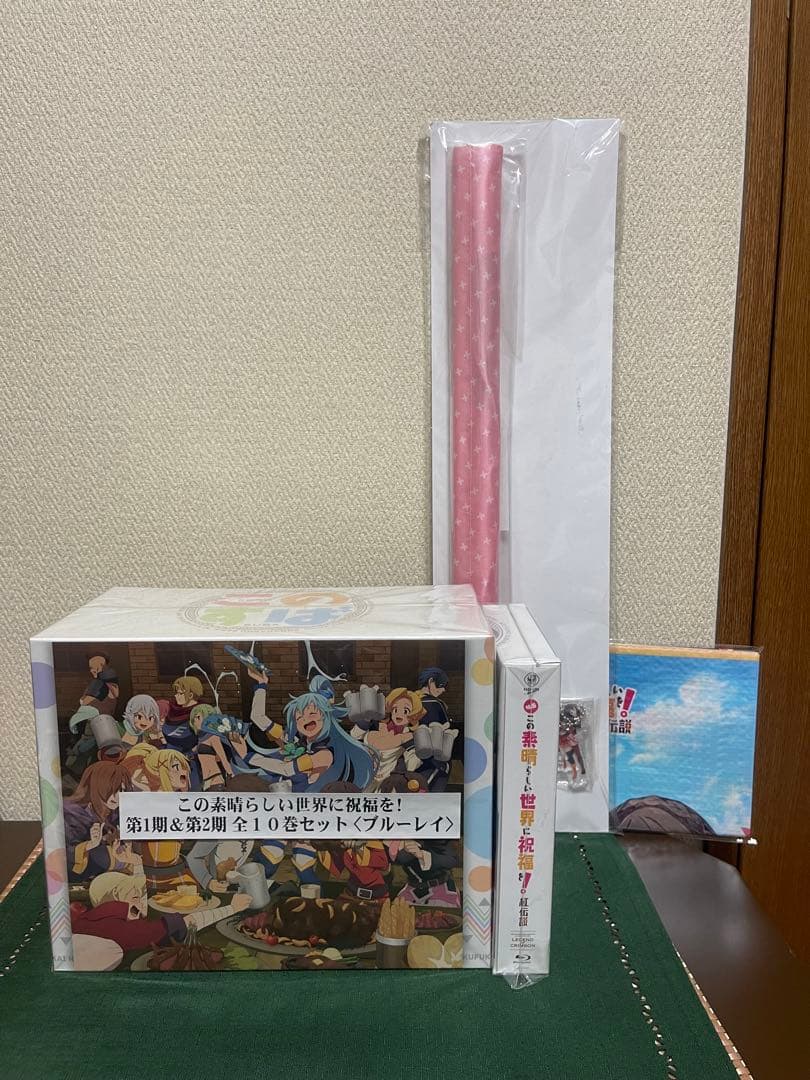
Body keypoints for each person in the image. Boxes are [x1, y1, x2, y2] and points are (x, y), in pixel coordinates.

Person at [70, 871, 250, 953]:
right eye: (135, 897)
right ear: (118, 897)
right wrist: (232, 908)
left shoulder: (83, 920)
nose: (141, 903)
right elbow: (187, 922)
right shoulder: (129, 930)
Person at [63, 761, 139, 882]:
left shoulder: (115, 812)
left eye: (122, 790)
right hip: (75, 871)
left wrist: (116, 839)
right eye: (111, 790)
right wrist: (91, 844)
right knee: (105, 855)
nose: (117, 796)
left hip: (112, 872)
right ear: (97, 786)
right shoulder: (72, 813)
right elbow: (65, 853)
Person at [350, 688, 423, 791]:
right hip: (364, 776)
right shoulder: (377, 726)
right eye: (395, 709)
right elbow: (355, 735)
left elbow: (412, 764)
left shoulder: (408, 736)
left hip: (387, 782)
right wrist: (366, 720)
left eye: (405, 711)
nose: (398, 714)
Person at [388, 839, 461, 908]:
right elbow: (396, 857)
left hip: (440, 888)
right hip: (411, 889)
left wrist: (421, 854)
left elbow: (451, 859)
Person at [162, 675, 204, 754]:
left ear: (190, 695)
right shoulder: (172, 710)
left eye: (180, 693)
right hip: (167, 753)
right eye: (176, 693)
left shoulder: (201, 713)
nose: (176, 695)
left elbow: (206, 740)